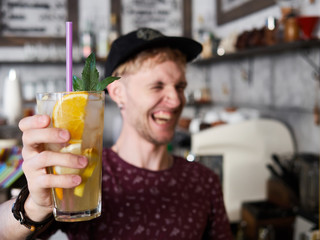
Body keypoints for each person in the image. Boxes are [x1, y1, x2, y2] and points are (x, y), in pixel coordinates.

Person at [0, 28, 232, 240]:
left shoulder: (204, 180)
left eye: (180, 87)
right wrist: (34, 207)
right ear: (118, 93)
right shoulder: (85, 171)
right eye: (157, 86)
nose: (176, 100)